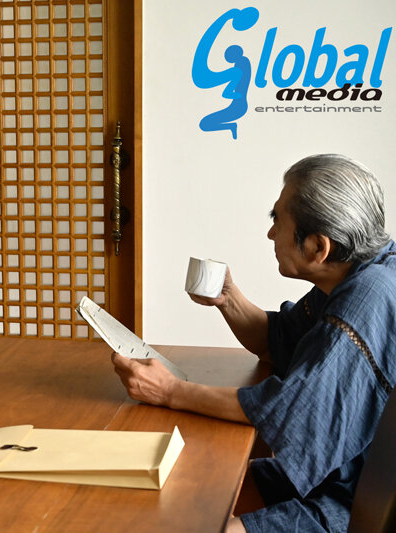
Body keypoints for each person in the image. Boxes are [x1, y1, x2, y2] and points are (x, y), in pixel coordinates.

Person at [112, 154, 395, 532]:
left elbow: (291, 411)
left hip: (350, 504)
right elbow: (277, 341)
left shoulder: (366, 301)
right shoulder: (359, 274)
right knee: (187, 485)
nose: (271, 234)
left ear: (317, 247)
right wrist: (228, 298)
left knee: (197, 523)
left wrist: (169, 391)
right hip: (333, 478)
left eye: (277, 219)